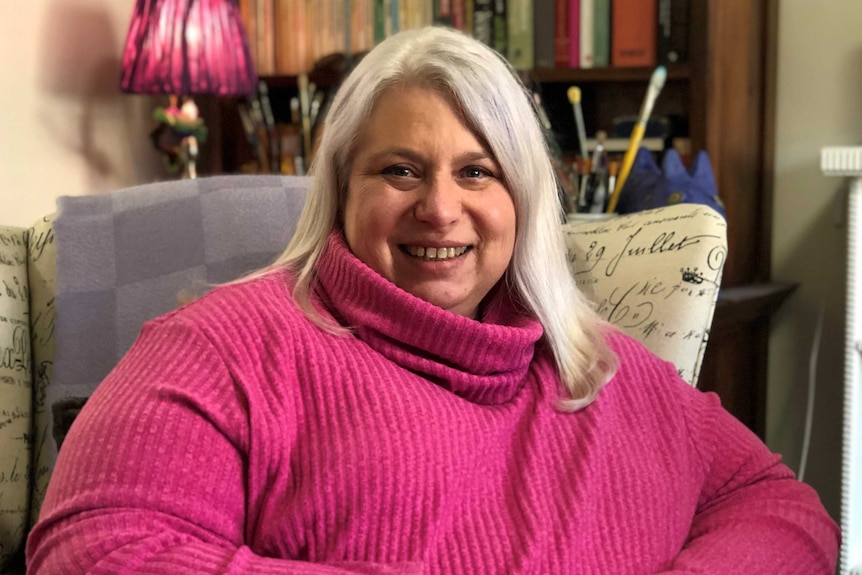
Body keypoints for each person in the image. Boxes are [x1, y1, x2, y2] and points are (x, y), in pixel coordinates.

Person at [27, 26, 839, 574]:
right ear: (341, 188)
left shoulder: (603, 365)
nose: (441, 209)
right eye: (401, 170)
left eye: (477, 172)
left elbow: (782, 505)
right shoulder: (219, 346)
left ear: (522, 200)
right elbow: (96, 549)